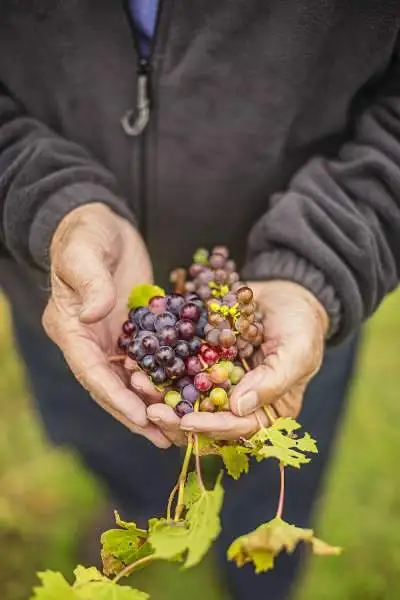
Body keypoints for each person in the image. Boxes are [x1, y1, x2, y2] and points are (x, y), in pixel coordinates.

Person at [0, 2, 399, 599]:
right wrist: (54, 208)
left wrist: (320, 268)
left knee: (273, 462)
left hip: (290, 305)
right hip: (77, 298)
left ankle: (262, 575)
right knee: (110, 435)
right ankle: (135, 512)